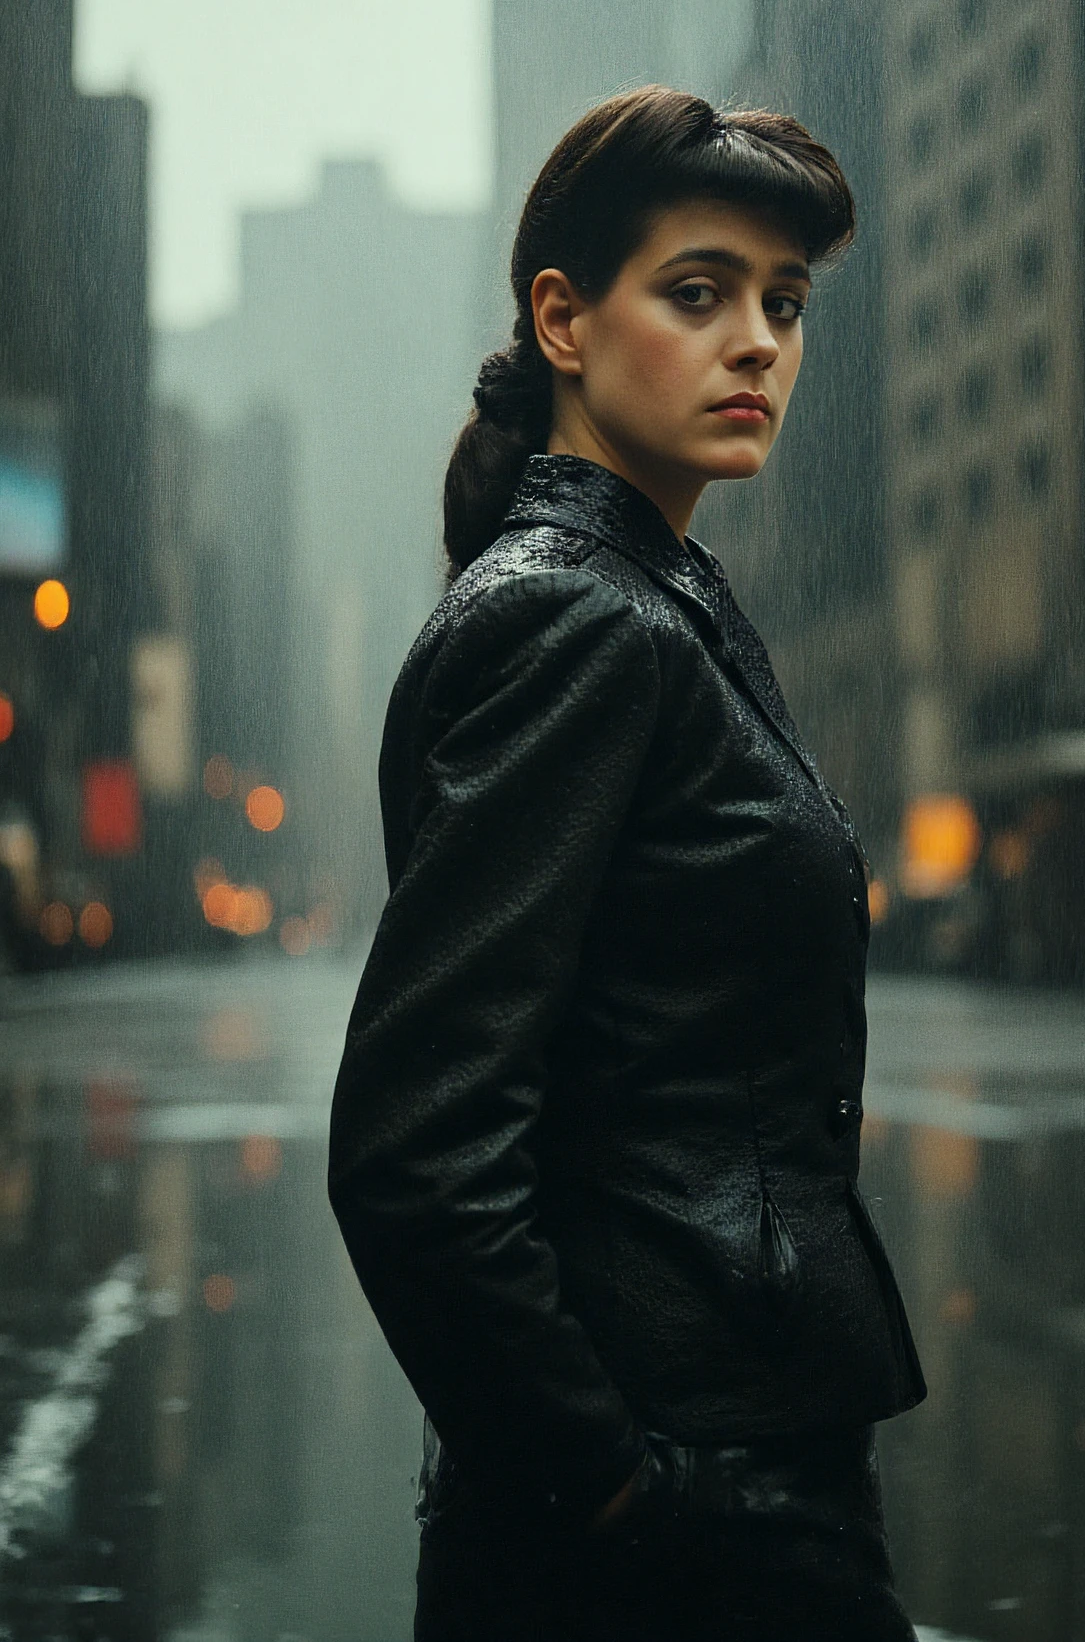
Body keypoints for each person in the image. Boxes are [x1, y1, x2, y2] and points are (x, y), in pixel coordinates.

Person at [328, 84, 926, 1641]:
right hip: (679, 1515)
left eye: (784, 305)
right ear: (563, 320)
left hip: (718, 1469)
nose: (758, 344)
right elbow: (419, 1149)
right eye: (698, 291)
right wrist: (615, 1488)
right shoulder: (577, 616)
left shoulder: (651, 595)